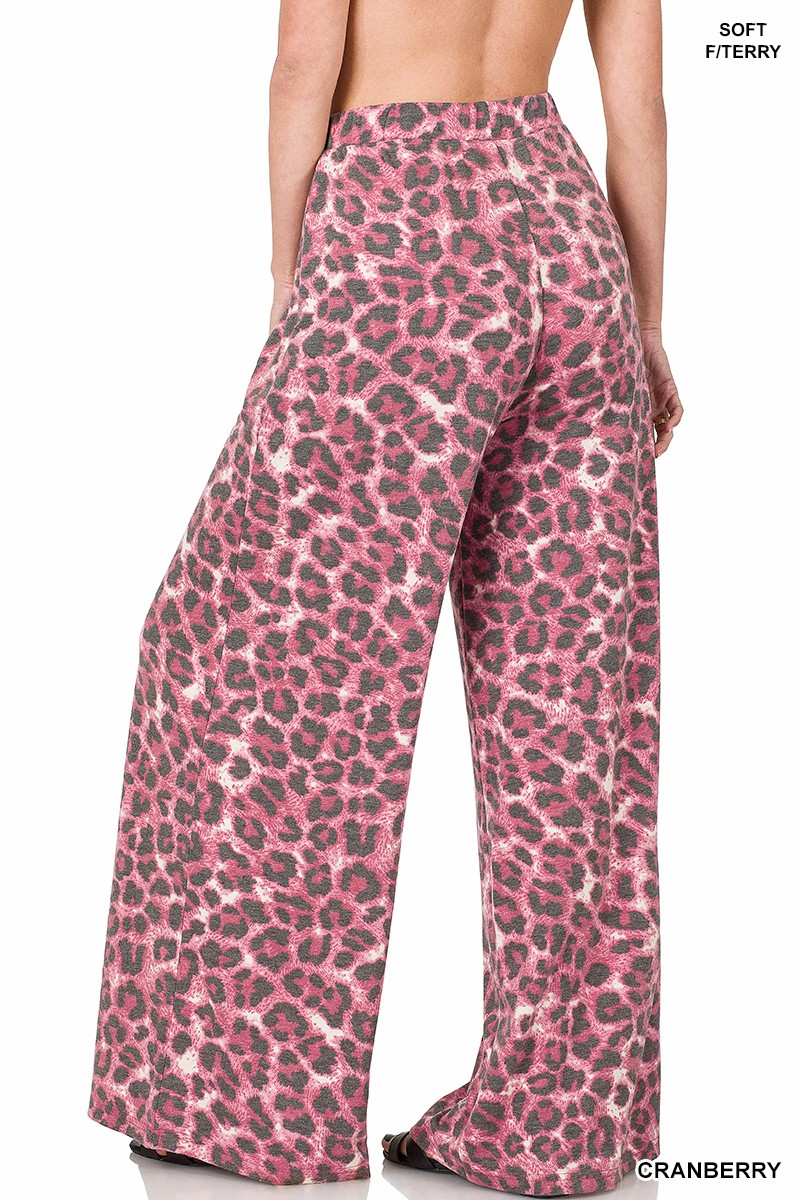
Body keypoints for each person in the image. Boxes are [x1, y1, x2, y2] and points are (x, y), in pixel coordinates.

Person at [87, 0, 682, 1195]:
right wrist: (645, 323)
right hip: (572, 241)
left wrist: (288, 279)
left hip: (393, 246)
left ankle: (244, 1103)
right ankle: (556, 1122)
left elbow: (299, 68)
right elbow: (638, 111)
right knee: (567, 712)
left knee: (267, 670)